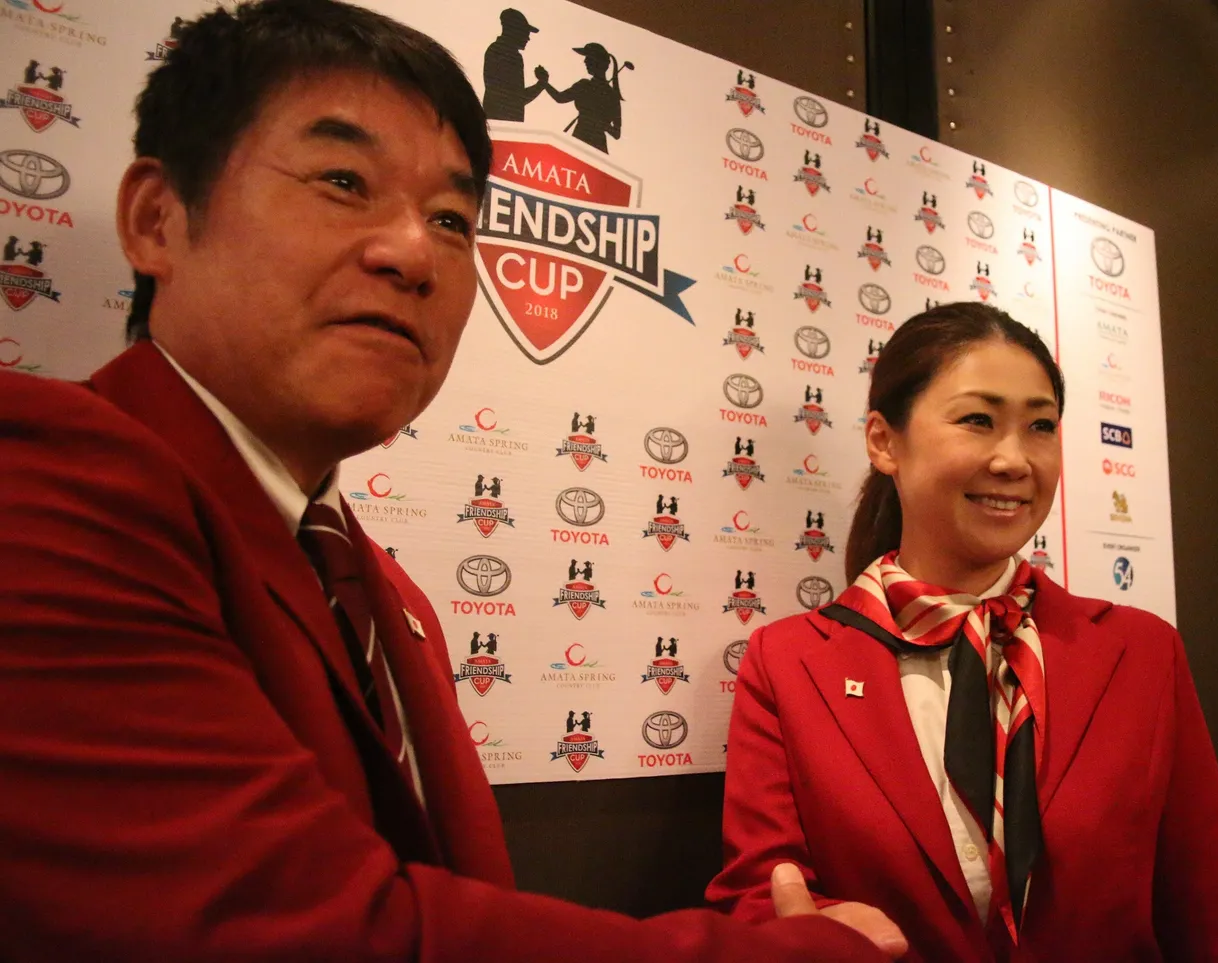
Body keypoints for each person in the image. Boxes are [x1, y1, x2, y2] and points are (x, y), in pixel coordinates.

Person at [0, 2, 905, 961]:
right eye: (343, 181)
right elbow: (306, 929)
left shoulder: (387, 595)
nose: (412, 254)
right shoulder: (45, 478)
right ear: (158, 219)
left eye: (451, 220)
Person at [708, 302, 1218, 962]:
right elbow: (760, 894)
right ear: (884, 441)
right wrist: (814, 934)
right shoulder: (788, 662)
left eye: (1040, 426)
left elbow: (1212, 913)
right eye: (978, 420)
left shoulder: (1141, 652)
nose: (1014, 460)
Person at [542, 42, 625, 153]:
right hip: (580, 138)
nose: (585, 61)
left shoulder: (611, 94)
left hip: (595, 144)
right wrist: (544, 83)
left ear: (597, 63)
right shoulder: (585, 85)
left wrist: (597, 121)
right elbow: (560, 98)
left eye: (588, 58)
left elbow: (616, 133)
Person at [480, 7, 549, 122]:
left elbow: (514, 98)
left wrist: (541, 84)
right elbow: (515, 99)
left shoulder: (500, 51)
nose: (528, 38)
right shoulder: (506, 54)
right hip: (502, 121)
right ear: (514, 31)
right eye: (525, 32)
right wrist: (542, 83)